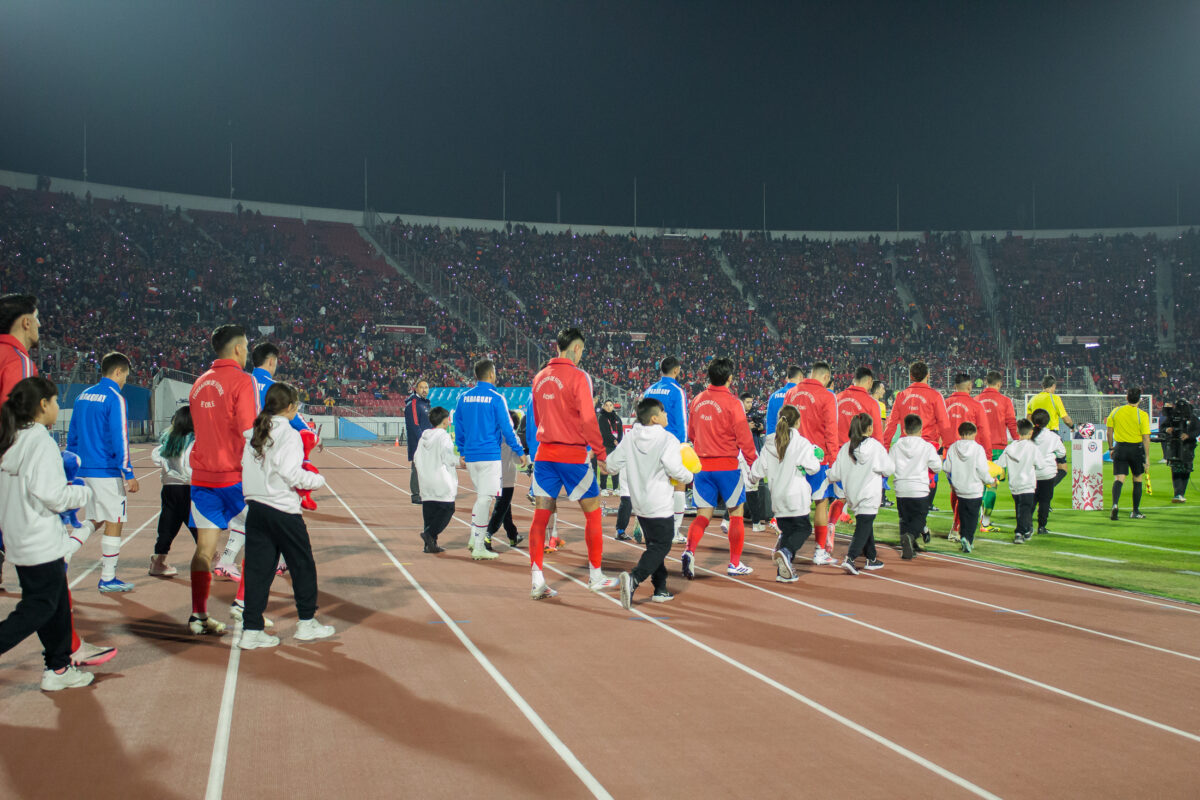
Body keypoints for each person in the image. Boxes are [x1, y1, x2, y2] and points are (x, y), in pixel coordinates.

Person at [0, 296, 112, 667]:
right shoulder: (15, 361)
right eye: (37, 317)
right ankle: (65, 653)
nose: (41, 323)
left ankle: (62, 656)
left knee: (47, 588)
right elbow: (16, 420)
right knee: (43, 591)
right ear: (25, 322)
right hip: (28, 510)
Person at [0, 377, 98, 690]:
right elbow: (53, 496)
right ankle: (56, 666)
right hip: (38, 539)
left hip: (21, 535)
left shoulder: (12, 438)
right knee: (39, 606)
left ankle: (58, 668)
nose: (58, 407)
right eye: (55, 401)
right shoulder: (39, 440)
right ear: (43, 404)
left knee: (55, 605)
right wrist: (82, 494)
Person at [237, 381, 333, 650]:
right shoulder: (288, 434)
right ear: (290, 407)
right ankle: (306, 623)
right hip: (283, 510)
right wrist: (317, 480)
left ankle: (251, 630)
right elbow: (292, 474)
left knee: (258, 572)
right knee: (302, 566)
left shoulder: (256, 432)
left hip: (256, 509)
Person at [527, 328, 616, 598]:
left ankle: (536, 579)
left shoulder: (539, 378)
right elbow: (589, 420)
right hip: (572, 456)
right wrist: (601, 454)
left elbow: (537, 419)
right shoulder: (579, 377)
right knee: (593, 513)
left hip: (544, 456)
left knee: (540, 516)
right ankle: (596, 575)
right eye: (582, 351)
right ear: (576, 349)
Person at [188, 324, 258, 635]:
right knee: (261, 541)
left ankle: (198, 616)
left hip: (202, 477)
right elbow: (249, 430)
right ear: (238, 349)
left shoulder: (199, 383)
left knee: (204, 550)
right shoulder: (244, 381)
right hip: (234, 478)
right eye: (246, 346)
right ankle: (243, 607)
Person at [611, 398, 696, 609]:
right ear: (655, 418)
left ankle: (660, 588)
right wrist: (689, 475)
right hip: (659, 502)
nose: (667, 416)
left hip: (639, 502)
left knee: (654, 545)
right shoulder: (668, 439)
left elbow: (612, 465)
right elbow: (675, 469)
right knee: (663, 544)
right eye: (664, 412)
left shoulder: (630, 438)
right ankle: (634, 578)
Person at [66, 351, 140, 593]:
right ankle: (108, 578)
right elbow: (120, 438)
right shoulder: (114, 398)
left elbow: (73, 436)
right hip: (105, 471)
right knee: (115, 520)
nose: (125, 381)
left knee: (96, 518)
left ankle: (64, 553)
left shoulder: (82, 396)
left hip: (83, 470)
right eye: (125, 376)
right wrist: (128, 473)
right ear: (118, 372)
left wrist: (71, 469)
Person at [682, 357, 759, 578]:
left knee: (702, 516)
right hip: (727, 467)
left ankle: (690, 551)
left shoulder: (697, 400)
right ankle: (734, 563)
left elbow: (692, 434)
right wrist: (754, 462)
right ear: (729, 378)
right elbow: (744, 438)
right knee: (736, 514)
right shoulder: (734, 403)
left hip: (702, 468)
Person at [454, 359, 527, 561]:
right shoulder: (497, 398)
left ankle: (473, 537)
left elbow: (458, 426)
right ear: (492, 374)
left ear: (476, 375)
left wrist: (461, 449)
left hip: (471, 457)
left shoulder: (463, 397)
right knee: (485, 500)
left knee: (482, 497)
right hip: (489, 456)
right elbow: (507, 428)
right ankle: (479, 546)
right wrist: (519, 450)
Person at [749, 405, 820, 583]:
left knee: (788, 533)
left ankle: (784, 571)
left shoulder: (770, 443)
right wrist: (816, 456)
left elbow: (757, 470)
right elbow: (813, 468)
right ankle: (786, 552)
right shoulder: (801, 443)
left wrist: (751, 479)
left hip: (777, 498)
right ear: (797, 422)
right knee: (804, 529)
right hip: (796, 496)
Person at [250, 342, 322, 514]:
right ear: (271, 361)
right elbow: (295, 418)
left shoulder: (242, 383)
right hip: (270, 448)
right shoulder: (275, 389)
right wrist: (314, 437)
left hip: (244, 449)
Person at [783, 362, 840, 565]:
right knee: (821, 504)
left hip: (792, 458)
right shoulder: (827, 396)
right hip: (818, 459)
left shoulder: (791, 393)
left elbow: (784, 424)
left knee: (793, 504)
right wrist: (834, 460)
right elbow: (831, 431)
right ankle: (819, 551)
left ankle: (786, 547)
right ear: (825, 377)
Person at [882, 361, 950, 513]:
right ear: (928, 375)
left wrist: (885, 446)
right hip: (928, 445)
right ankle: (923, 515)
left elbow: (891, 423)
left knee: (906, 482)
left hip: (905, 446)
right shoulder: (935, 396)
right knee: (928, 482)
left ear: (911, 376)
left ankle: (909, 519)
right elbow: (944, 424)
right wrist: (949, 448)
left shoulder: (901, 395)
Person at [644, 356, 689, 542]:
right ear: (676, 371)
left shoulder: (650, 390)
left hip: (649, 442)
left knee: (655, 486)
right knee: (679, 485)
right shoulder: (676, 391)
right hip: (670, 442)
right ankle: (675, 530)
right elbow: (681, 420)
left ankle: (651, 529)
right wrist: (684, 444)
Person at [149, 405, 197, 576]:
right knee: (198, 526)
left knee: (167, 526)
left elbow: (156, 457)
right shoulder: (193, 441)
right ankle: (214, 558)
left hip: (169, 489)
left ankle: (158, 560)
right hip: (188, 489)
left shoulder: (168, 439)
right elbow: (188, 467)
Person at [943, 373, 991, 536]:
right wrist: (988, 456)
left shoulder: (945, 403)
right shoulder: (976, 405)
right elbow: (984, 432)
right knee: (965, 491)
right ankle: (957, 526)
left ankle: (958, 523)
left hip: (949, 452)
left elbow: (938, 427)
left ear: (955, 385)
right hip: (969, 452)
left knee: (955, 489)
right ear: (970, 386)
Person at [890, 414, 942, 559]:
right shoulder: (927, 446)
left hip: (901, 488)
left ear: (905, 429)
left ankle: (909, 544)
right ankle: (910, 536)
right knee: (919, 518)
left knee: (905, 519)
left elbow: (889, 467)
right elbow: (937, 467)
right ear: (921, 430)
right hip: (919, 488)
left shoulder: (897, 446)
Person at [942, 422, 997, 553]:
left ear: (959, 433)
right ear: (974, 433)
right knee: (972, 517)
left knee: (963, 515)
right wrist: (991, 481)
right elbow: (983, 470)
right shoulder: (978, 449)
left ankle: (963, 537)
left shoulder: (953, 447)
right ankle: (968, 540)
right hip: (974, 489)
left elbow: (946, 468)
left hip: (960, 489)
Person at [976, 371, 1019, 531]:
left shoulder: (976, 399)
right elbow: (1011, 423)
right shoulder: (1005, 401)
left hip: (977, 448)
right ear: (999, 384)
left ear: (986, 382)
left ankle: (974, 517)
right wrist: (1018, 442)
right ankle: (985, 521)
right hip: (997, 449)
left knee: (977, 485)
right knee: (992, 484)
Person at [414, 407, 459, 553]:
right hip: (441, 480)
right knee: (447, 509)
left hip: (425, 481)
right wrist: (460, 462)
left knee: (430, 513)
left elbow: (416, 458)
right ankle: (430, 534)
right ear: (445, 420)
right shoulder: (443, 436)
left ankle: (430, 545)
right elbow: (448, 456)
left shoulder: (423, 437)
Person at [1105, 388, 1151, 521]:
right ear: (1140, 399)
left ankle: (1114, 505)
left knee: (1119, 479)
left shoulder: (1116, 411)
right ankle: (1135, 511)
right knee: (1137, 479)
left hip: (1119, 447)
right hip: (1135, 449)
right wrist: (1147, 457)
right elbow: (1146, 438)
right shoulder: (1141, 415)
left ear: (1126, 398)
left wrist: (1111, 448)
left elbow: (1109, 432)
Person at [485, 409, 526, 548]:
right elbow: (516, 460)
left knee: (505, 508)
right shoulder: (513, 437)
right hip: (507, 477)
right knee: (501, 508)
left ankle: (513, 536)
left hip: (493, 474)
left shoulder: (495, 434)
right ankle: (488, 534)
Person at [1027, 374, 1074, 485]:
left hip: (1035, 435)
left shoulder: (1033, 399)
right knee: (1062, 468)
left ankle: (1035, 489)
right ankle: (1046, 490)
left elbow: (1028, 419)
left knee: (1038, 467)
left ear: (1042, 385)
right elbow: (1066, 419)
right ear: (1053, 386)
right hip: (1051, 435)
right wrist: (1072, 427)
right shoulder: (1055, 398)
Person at [997, 419, 1039, 543]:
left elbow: (1000, 464)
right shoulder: (1032, 447)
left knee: (1020, 508)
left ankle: (1025, 530)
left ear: (1017, 431)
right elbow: (1040, 464)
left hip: (1014, 483)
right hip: (1028, 483)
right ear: (1031, 432)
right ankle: (1021, 532)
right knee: (1026, 508)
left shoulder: (1010, 447)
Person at [1030, 409, 1068, 533]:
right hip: (1047, 473)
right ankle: (1041, 527)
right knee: (1045, 501)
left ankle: (1027, 526)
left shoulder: (1028, 436)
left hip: (1030, 472)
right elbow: (1062, 452)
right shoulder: (1053, 437)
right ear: (1047, 422)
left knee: (1031, 500)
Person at [1161, 399, 1199, 502]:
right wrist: (1167, 429)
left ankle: (1180, 493)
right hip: (1175, 446)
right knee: (1176, 469)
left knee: (1185, 469)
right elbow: (1163, 427)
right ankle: (1178, 494)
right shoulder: (1173, 417)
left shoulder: (1193, 418)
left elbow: (1197, 430)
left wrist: (1188, 435)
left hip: (1188, 447)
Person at [741, 392, 768, 530]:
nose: (750, 405)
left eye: (751, 402)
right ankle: (755, 522)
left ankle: (729, 520)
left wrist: (760, 427)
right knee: (750, 487)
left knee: (751, 487)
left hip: (754, 453)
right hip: (743, 455)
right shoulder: (739, 417)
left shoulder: (755, 416)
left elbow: (763, 430)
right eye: (747, 402)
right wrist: (747, 426)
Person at [405, 379, 432, 503]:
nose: (425, 390)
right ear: (416, 389)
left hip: (428, 442)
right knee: (417, 468)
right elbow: (415, 424)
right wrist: (423, 440)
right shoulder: (414, 403)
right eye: (422, 387)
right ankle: (415, 495)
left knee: (427, 468)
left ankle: (425, 493)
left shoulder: (426, 403)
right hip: (418, 443)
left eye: (426, 387)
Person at [871, 379, 894, 508]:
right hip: (877, 443)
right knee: (881, 470)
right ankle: (881, 498)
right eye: (883, 388)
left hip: (865, 442)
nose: (884, 391)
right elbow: (883, 425)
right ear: (877, 389)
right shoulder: (880, 405)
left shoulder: (866, 402)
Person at [766, 365, 804, 436]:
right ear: (800, 377)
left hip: (778, 441)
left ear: (788, 378)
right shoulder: (802, 395)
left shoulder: (774, 396)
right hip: (797, 441)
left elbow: (770, 423)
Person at [597, 399, 624, 496]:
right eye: (607, 405)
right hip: (606, 445)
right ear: (604, 406)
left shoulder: (617, 418)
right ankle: (603, 488)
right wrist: (614, 440)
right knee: (605, 466)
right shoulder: (602, 418)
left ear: (613, 407)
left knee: (615, 466)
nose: (609, 407)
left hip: (616, 445)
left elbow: (620, 431)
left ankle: (615, 488)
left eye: (610, 405)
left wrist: (619, 440)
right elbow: (605, 432)